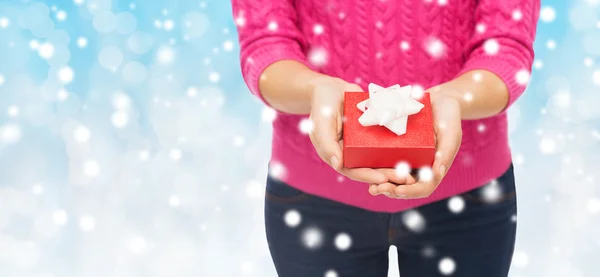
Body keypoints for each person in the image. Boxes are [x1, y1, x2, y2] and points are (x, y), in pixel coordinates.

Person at [231, 1, 539, 276]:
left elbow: (507, 46)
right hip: (313, 199)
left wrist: (455, 98)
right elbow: (265, 44)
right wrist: (314, 90)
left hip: (469, 200)